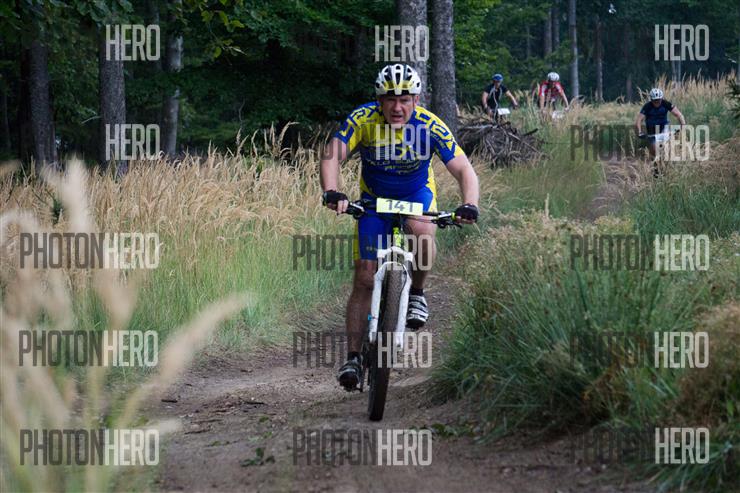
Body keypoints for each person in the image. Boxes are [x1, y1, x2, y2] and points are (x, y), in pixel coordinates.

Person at [320, 63, 480, 391]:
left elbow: (464, 168)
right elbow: (332, 155)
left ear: (416, 100)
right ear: (378, 100)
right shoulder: (363, 119)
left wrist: (470, 204)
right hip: (374, 200)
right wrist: (332, 191)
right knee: (365, 277)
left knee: (423, 234)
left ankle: (417, 292)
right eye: (390, 99)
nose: (397, 107)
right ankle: (353, 357)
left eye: (405, 99)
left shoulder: (430, 125)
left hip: (415, 194)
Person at [635, 88, 686, 169]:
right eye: (655, 101)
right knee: (654, 151)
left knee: (667, 148)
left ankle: (668, 166)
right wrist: (639, 132)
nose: (657, 102)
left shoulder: (666, 103)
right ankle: (655, 168)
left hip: (663, 127)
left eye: (658, 100)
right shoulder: (647, 106)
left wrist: (683, 125)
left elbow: (679, 115)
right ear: (651, 100)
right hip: (652, 131)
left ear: (661, 99)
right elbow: (639, 120)